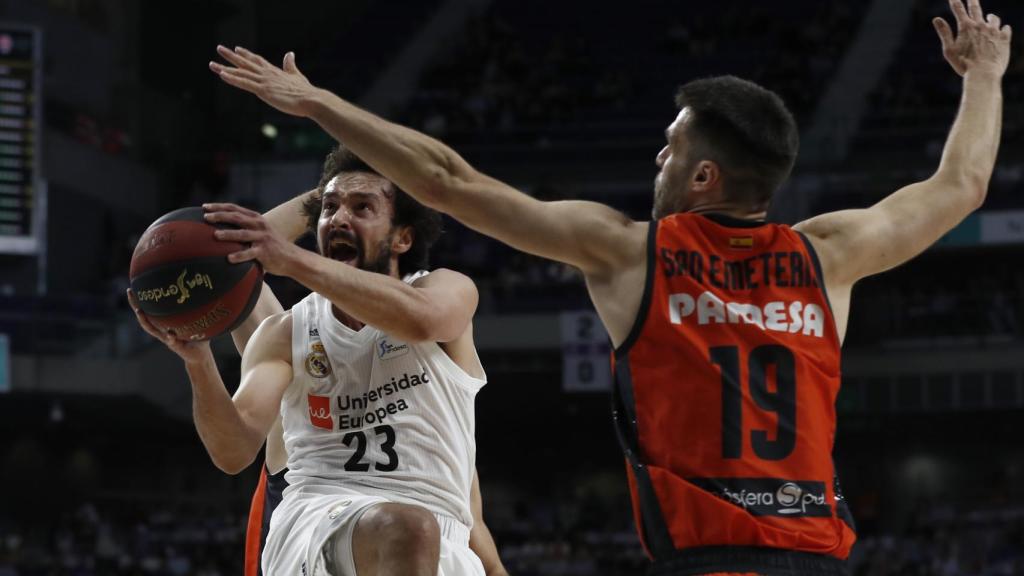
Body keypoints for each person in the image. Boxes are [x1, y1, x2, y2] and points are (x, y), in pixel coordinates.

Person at [209, 0, 1010, 573]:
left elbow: (449, 179)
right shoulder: (830, 254)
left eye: (669, 150)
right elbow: (963, 183)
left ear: (703, 174)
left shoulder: (634, 253)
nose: (656, 160)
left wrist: (321, 105)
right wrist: (985, 76)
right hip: (821, 553)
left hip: (706, 556)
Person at [129, 147, 507, 576]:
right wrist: (197, 360)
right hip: (317, 519)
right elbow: (233, 452)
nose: (339, 218)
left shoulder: (446, 289)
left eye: (362, 207)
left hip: (439, 539)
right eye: (329, 208)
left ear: (403, 237)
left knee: (416, 530)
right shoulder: (285, 331)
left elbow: (424, 321)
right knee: (407, 528)